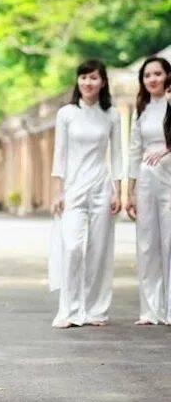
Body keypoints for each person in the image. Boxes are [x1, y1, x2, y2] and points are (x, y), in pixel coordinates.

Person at [50, 60, 123, 328]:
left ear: (102, 82)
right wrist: (57, 192)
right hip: (73, 189)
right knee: (72, 248)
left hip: (102, 188)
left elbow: (117, 155)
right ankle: (68, 311)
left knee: (99, 250)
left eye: (93, 78)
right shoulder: (67, 113)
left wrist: (118, 191)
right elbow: (59, 154)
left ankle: (96, 310)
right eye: (83, 77)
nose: (87, 82)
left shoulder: (112, 114)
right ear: (78, 81)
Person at [126, 56, 171, 325]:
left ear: (167, 76)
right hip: (145, 181)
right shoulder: (140, 110)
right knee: (147, 245)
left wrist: (166, 149)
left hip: (169, 180)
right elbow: (134, 150)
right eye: (147, 75)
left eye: (157, 74)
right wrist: (129, 191)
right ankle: (150, 310)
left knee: (169, 242)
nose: (152, 79)